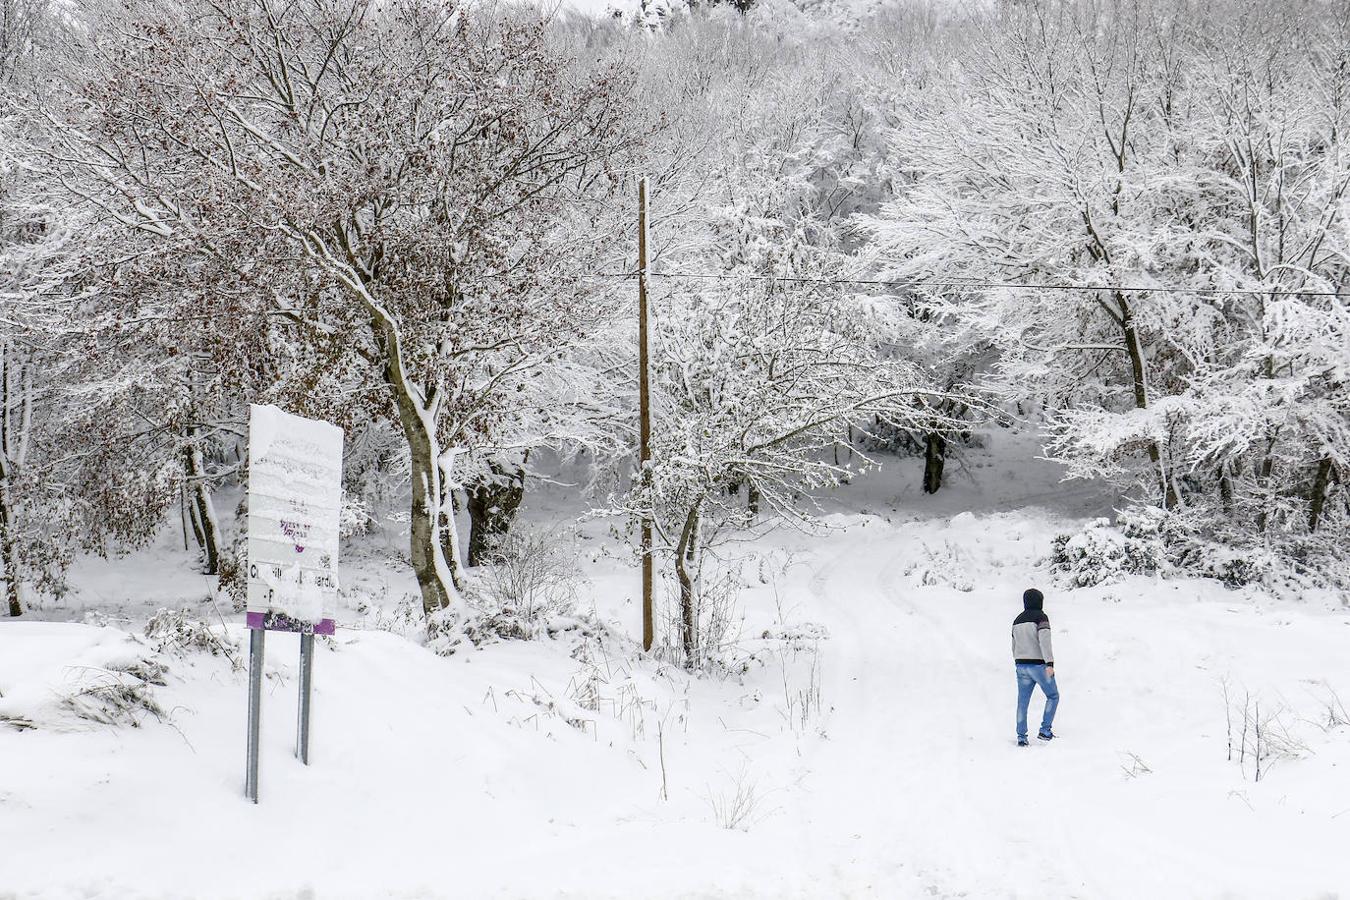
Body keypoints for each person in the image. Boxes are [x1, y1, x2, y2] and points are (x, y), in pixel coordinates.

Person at [1011, 587, 1058, 746]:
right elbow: (1045, 641)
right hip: (1039, 665)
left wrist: (1018, 661)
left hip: (1021, 665)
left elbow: (1013, 645)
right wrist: (1049, 663)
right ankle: (1045, 730)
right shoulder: (1041, 617)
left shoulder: (1017, 620)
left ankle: (1021, 738)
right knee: (1053, 696)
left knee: (1022, 702)